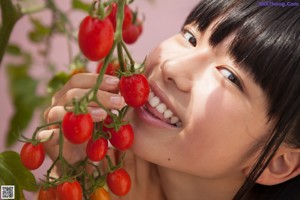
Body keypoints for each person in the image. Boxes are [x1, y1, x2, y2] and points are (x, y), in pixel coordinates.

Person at [39, 0, 300, 199]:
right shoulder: (98, 166)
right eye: (190, 37)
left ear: (276, 162)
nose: (172, 67)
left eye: (230, 77)